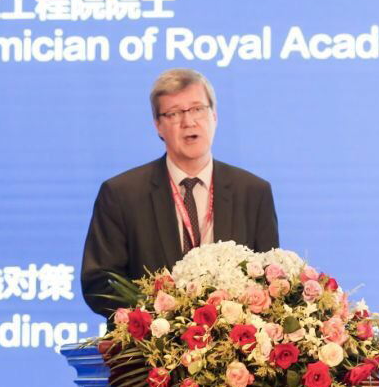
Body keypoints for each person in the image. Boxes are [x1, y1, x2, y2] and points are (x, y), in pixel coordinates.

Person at [81, 68, 280, 317]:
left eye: (197, 109)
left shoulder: (253, 193)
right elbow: (99, 283)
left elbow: (271, 281)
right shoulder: (121, 195)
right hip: (153, 338)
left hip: (235, 338)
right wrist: (162, 319)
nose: (188, 122)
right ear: (158, 125)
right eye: (174, 113)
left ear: (214, 116)